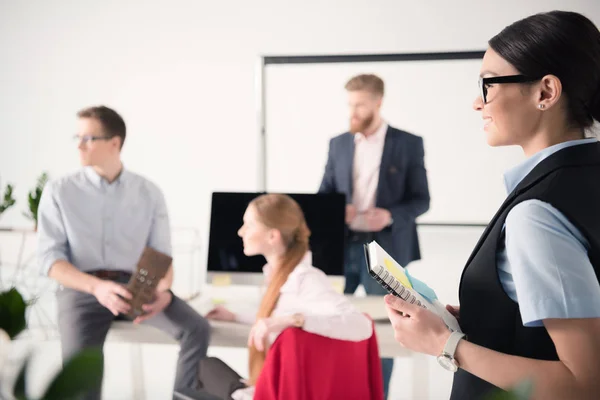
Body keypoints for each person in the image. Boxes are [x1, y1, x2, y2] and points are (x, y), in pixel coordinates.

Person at [383, 10, 600, 400]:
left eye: (488, 84)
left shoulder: (536, 215)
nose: (477, 103)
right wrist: (486, 318)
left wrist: (445, 346)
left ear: (545, 93)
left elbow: (585, 384)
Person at [37, 106, 211, 399]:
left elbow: (161, 256)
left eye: (88, 138)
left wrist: (163, 290)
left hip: (138, 286)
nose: (79, 145)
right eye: (77, 137)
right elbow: (49, 260)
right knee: (81, 378)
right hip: (82, 291)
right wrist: (97, 287)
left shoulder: (149, 192)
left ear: (114, 143)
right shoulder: (59, 191)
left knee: (197, 329)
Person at [318, 73, 430, 397]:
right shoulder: (338, 143)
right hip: (341, 247)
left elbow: (421, 199)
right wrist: (336, 208)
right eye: (350, 104)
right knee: (325, 316)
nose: (352, 111)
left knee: (384, 328)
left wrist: (390, 215)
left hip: (385, 248)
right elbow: (324, 192)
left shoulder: (408, 143)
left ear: (378, 102)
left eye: (360, 105)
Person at [204, 193, 373, 400]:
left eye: (248, 225)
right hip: (274, 386)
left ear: (272, 236)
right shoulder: (279, 274)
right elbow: (276, 315)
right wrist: (236, 316)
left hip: (275, 394)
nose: (241, 232)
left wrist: (295, 320)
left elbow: (361, 325)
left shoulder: (306, 279)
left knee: (203, 367)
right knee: (207, 367)